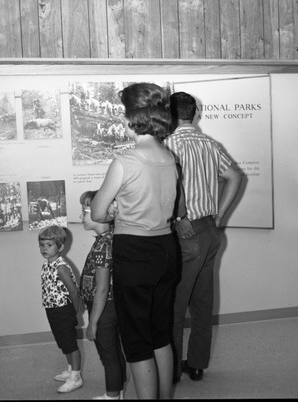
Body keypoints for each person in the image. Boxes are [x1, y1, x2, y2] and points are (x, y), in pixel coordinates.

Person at [91, 83, 178, 399]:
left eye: (123, 113)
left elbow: (98, 212)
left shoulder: (125, 161)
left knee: (137, 341)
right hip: (167, 250)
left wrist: (114, 208)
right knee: (160, 334)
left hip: (136, 254)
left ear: (133, 118)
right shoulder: (168, 158)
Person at [164, 91, 243, 383]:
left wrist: (182, 218)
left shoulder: (168, 144)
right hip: (210, 229)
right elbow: (235, 177)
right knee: (201, 303)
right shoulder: (210, 143)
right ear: (194, 113)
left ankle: (170, 371)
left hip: (185, 232)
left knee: (173, 305)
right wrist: (220, 216)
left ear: (170, 115)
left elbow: (173, 186)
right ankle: (196, 364)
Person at [79, 190, 126, 400]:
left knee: (108, 355)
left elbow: (103, 288)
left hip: (103, 309)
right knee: (115, 351)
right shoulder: (109, 238)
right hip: (109, 306)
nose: (81, 217)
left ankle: (113, 394)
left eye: (85, 211)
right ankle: (119, 390)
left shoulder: (102, 245)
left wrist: (93, 322)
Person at [38, 225, 83, 394]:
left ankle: (76, 377)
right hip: (52, 309)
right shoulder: (47, 264)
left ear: (60, 247)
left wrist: (76, 311)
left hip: (63, 309)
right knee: (63, 342)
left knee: (71, 344)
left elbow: (73, 291)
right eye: (42, 245)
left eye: (49, 245)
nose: (44, 248)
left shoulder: (61, 267)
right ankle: (71, 369)